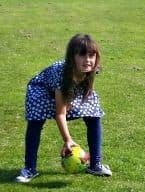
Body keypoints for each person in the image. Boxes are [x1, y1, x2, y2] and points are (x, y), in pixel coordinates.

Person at [15, 34, 112, 182]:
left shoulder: (92, 69)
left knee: (94, 115)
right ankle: (30, 169)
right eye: (82, 55)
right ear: (72, 57)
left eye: (92, 55)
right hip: (42, 91)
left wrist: (73, 101)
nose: (88, 60)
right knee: (35, 121)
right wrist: (68, 140)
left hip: (71, 90)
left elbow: (86, 89)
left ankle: (95, 164)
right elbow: (60, 113)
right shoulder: (61, 74)